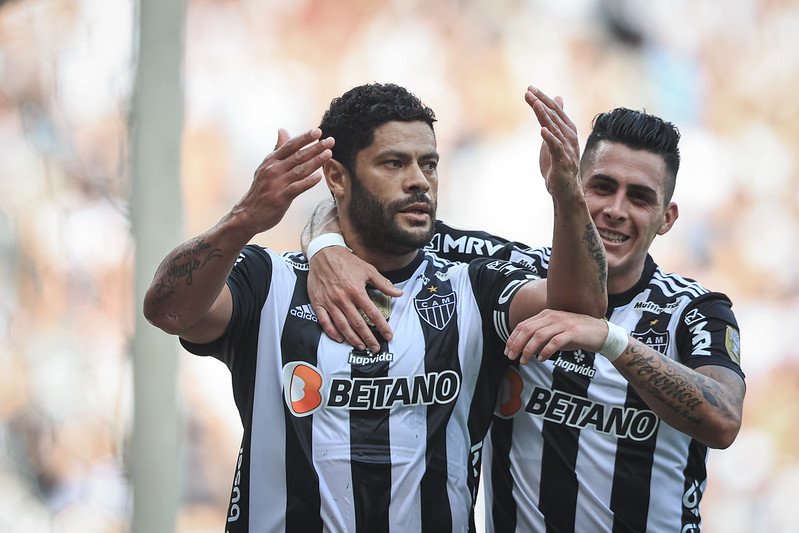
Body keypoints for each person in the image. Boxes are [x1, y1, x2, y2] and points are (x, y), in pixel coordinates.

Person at [143, 82, 607, 531]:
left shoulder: (473, 284)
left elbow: (582, 310)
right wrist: (244, 219)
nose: (419, 181)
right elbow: (168, 310)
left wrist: (567, 191)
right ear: (337, 177)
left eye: (429, 164)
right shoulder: (269, 283)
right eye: (393, 163)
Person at [303, 107, 745, 532]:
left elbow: (723, 420)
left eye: (640, 197)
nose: (615, 209)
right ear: (570, 185)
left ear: (667, 218)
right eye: (602, 187)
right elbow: (372, 217)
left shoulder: (693, 309)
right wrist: (325, 247)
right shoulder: (509, 277)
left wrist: (613, 341)